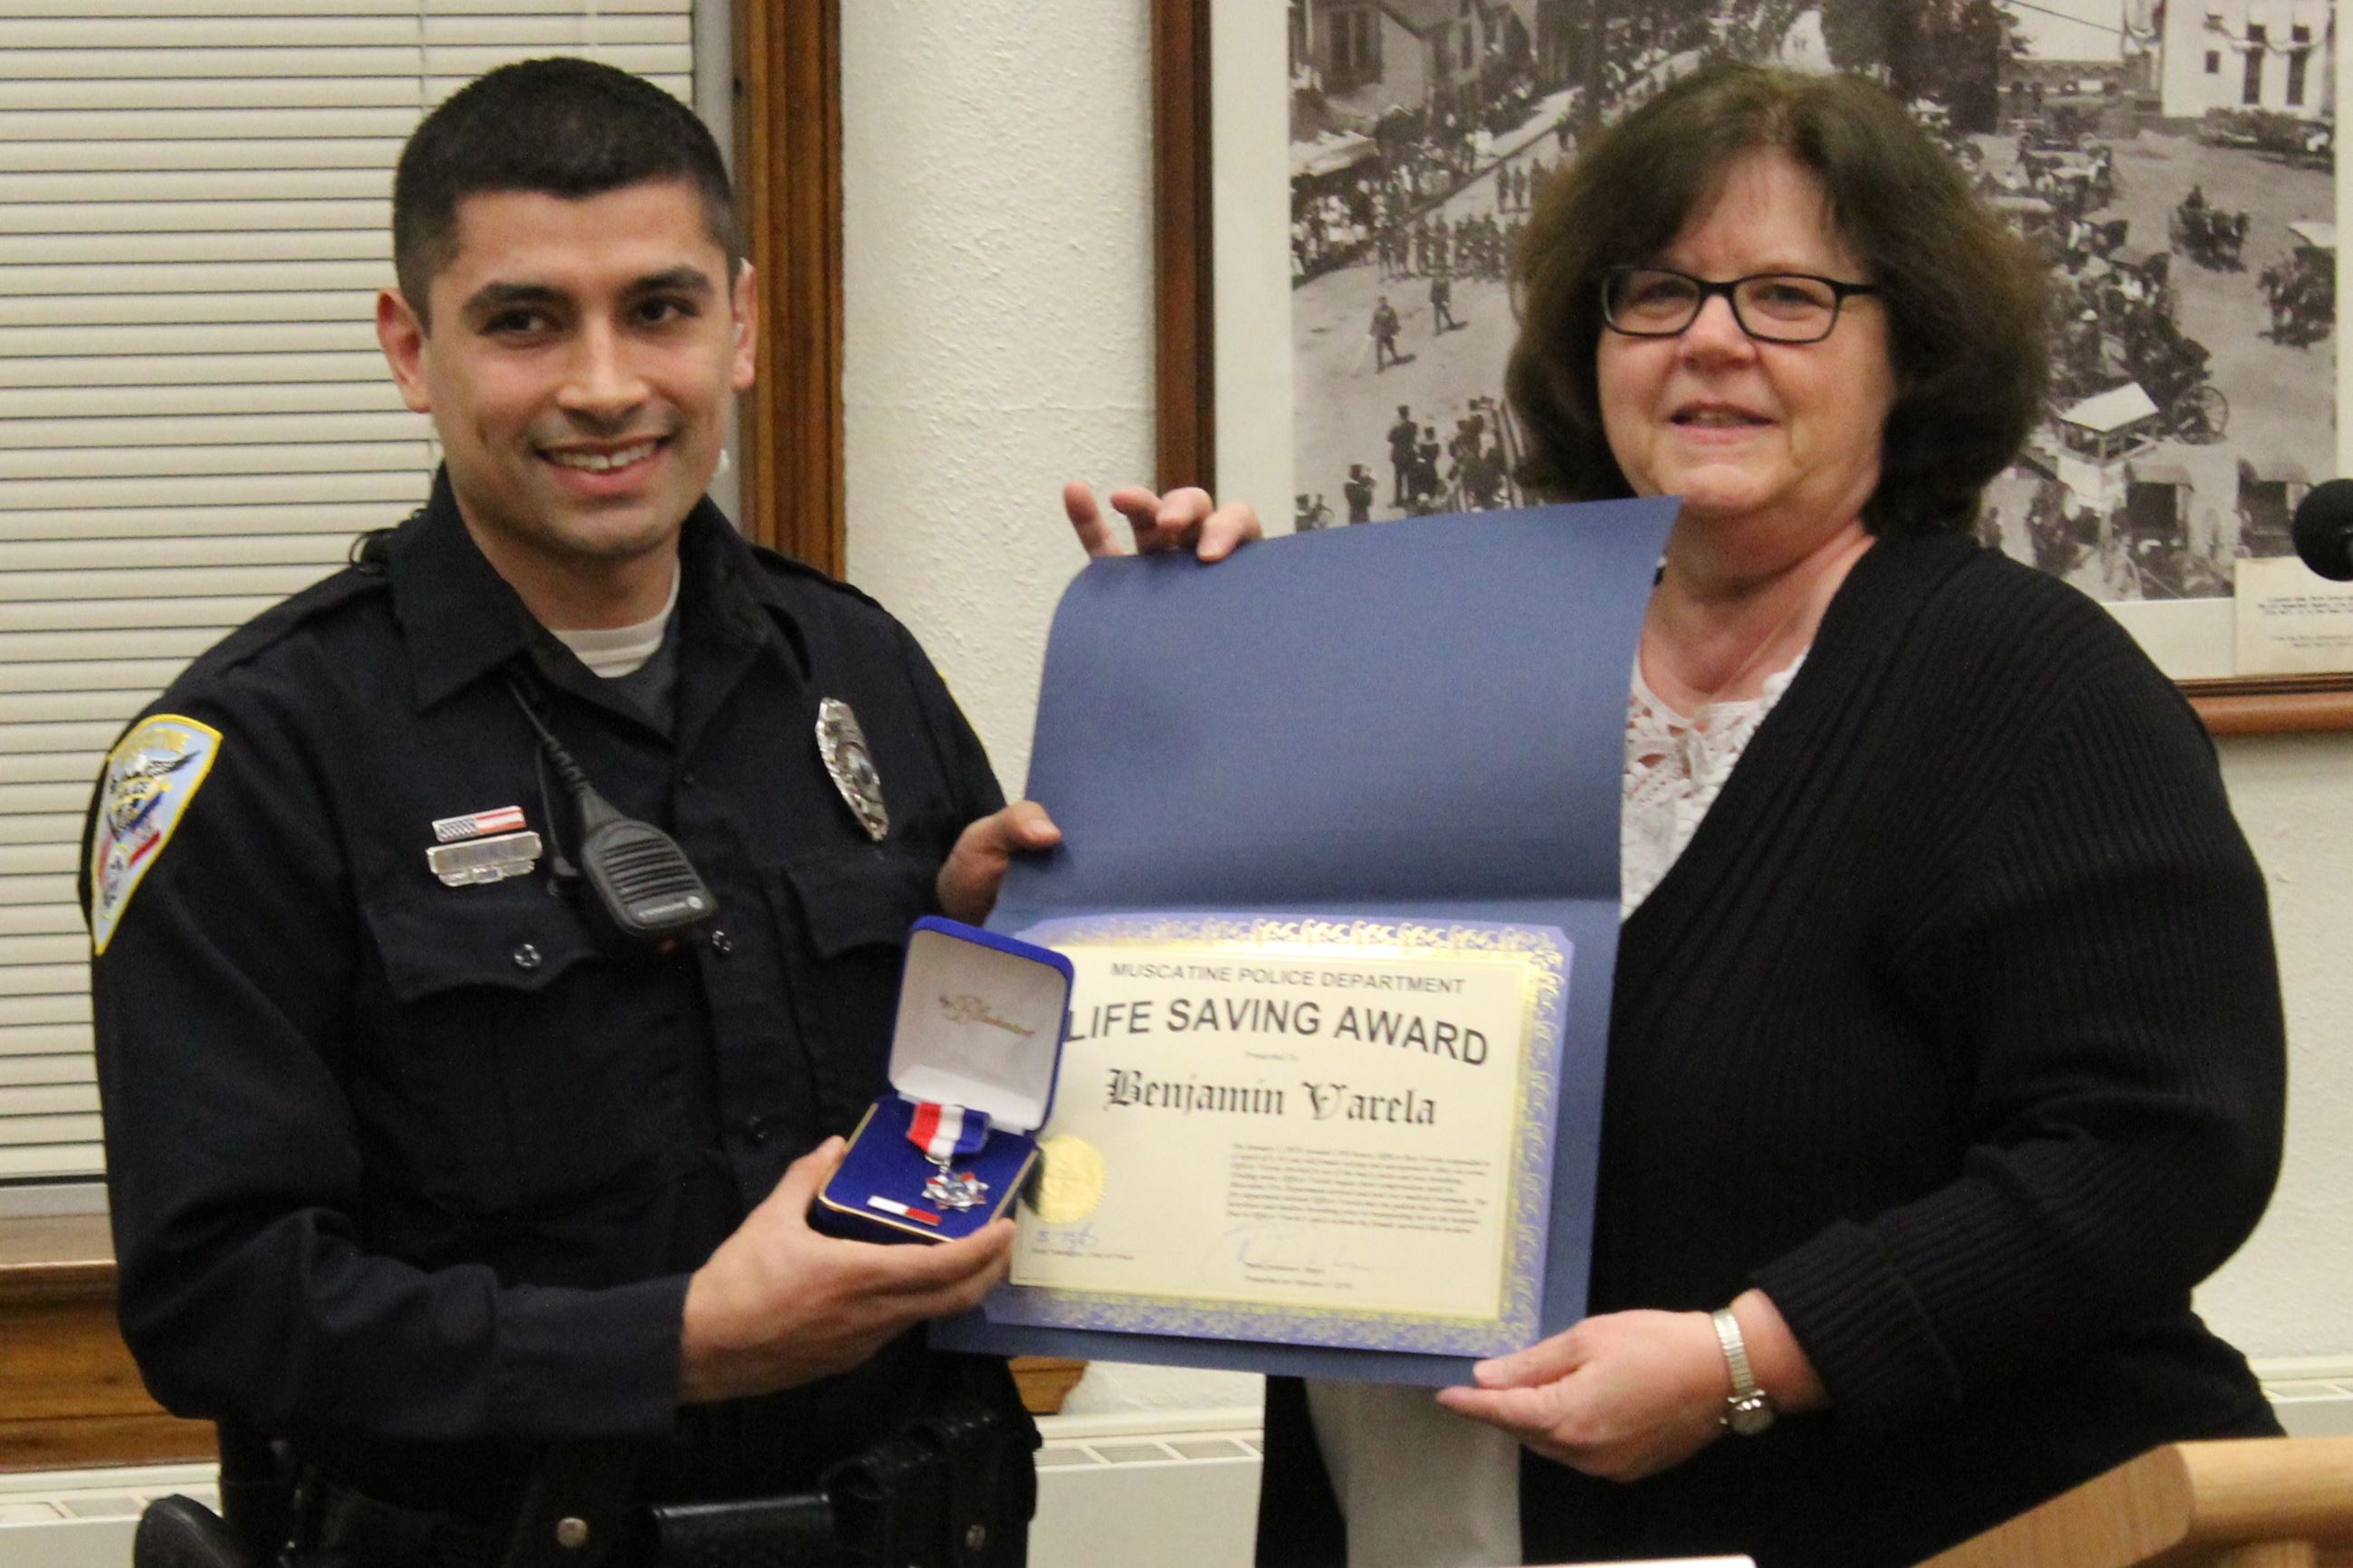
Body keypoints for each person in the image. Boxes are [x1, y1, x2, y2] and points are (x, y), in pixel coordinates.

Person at [1072, 61, 2284, 1568]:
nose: (1711, 338)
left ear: (1912, 350)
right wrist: (1182, 693)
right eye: (1657, 291)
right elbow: (1246, 1032)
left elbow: (2158, 1148)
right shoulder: (1447, 668)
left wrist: (1746, 1358)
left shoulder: (2029, 686)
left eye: (1789, 295)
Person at [84, 59, 1082, 1567]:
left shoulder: (855, 667)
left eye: (661, 309)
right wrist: (674, 1339)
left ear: (741, 325)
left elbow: (980, 1110)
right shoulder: (260, 752)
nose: (606, 384)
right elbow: (219, 1301)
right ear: (411, 348)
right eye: (526, 320)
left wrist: (1177, 661)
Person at [1370, 295, 1402, 372]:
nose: (1383, 303)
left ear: (1386, 302)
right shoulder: (1376, 311)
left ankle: (1396, 358)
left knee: (1391, 347)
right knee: (1379, 350)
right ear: (1379, 303)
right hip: (1380, 333)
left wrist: (1395, 333)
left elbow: (1394, 322)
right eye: (1381, 302)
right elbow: (1374, 323)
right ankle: (1380, 367)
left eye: (1384, 302)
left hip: (1388, 333)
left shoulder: (1390, 310)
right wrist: (1370, 333)